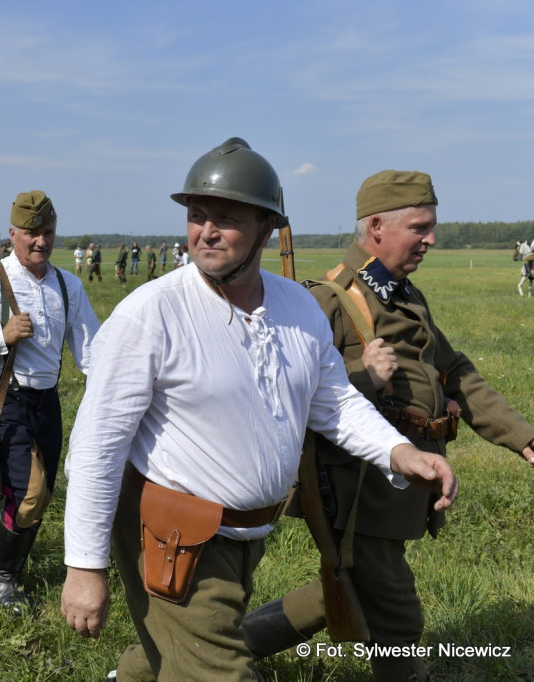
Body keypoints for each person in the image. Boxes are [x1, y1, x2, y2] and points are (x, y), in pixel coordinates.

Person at [57, 138, 459, 682]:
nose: (206, 230)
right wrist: (85, 566)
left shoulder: (296, 307)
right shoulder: (150, 313)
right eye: (197, 216)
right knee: (220, 669)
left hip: (248, 534)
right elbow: (97, 448)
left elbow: (334, 401)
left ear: (268, 228)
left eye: (226, 217)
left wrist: (400, 451)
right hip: (172, 534)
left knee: (174, 657)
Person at [240, 170, 534, 680]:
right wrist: (364, 377)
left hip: (399, 487)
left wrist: (524, 438)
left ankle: (207, 651)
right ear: (376, 227)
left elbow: (455, 369)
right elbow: (286, 396)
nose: (432, 239)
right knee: (396, 611)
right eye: (419, 227)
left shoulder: (404, 296)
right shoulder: (331, 300)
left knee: (341, 592)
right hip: (358, 492)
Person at [0, 190, 100, 616]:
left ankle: (14, 567)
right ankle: (3, 577)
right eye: (31, 233)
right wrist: (1, 336)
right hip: (4, 401)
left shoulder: (69, 284)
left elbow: (91, 352)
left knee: (42, 494)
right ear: (13, 233)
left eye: (47, 233)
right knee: (29, 494)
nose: (40, 242)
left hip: (48, 402)